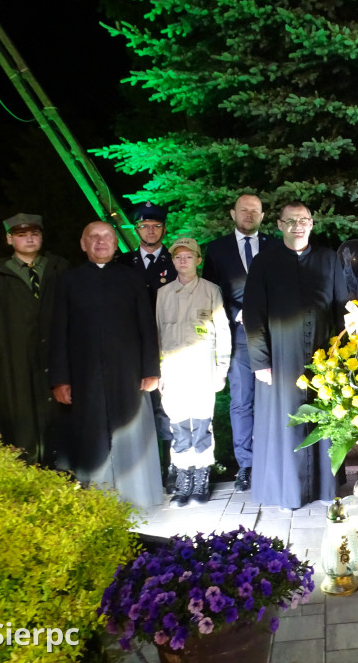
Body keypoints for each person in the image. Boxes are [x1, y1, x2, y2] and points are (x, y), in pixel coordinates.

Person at [49, 221, 163, 509]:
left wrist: (151, 370)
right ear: (83, 244)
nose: (101, 242)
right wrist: (60, 379)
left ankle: (137, 496)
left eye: (107, 237)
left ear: (115, 243)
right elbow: (58, 332)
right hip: (85, 374)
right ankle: (97, 498)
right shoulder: (68, 281)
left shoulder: (132, 278)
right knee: (92, 435)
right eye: (94, 237)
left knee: (131, 434)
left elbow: (147, 327)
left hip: (129, 373)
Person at [242, 201, 348, 510]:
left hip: (323, 353)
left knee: (324, 417)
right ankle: (286, 491)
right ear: (279, 224)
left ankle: (325, 488)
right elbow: (253, 314)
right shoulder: (265, 262)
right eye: (291, 221)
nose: (297, 225)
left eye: (303, 220)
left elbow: (342, 306)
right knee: (285, 420)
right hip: (280, 355)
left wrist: (342, 354)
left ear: (312, 223)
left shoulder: (329, 259)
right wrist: (260, 361)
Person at [0, 213, 69, 464]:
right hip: (15, 358)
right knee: (21, 417)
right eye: (22, 235)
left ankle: (59, 467)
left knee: (57, 417)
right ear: (10, 239)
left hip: (53, 356)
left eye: (34, 234)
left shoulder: (59, 269)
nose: (30, 239)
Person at [201, 193, 280, 493]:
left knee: (271, 402)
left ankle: (271, 460)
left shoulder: (276, 247)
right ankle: (246, 465)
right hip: (238, 338)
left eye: (255, 211)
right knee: (241, 403)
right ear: (233, 214)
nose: (249, 215)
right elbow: (210, 291)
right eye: (244, 210)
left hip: (272, 337)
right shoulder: (218, 250)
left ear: (262, 215)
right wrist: (234, 314)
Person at [155, 237, 231, 507]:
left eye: (189, 257)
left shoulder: (211, 291)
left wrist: (221, 369)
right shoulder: (163, 294)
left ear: (198, 260)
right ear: (173, 260)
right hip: (173, 371)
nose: (183, 261)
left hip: (202, 369)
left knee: (201, 423)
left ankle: (201, 477)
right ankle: (183, 477)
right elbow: (158, 335)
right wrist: (159, 372)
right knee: (177, 424)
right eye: (178, 257)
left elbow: (222, 330)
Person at [116, 202, 177, 489]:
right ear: (136, 229)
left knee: (168, 408)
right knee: (139, 408)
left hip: (170, 345)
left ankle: (170, 469)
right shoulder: (123, 265)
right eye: (144, 226)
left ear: (164, 228)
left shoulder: (176, 262)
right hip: (134, 347)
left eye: (156, 225)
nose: (150, 230)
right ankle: (142, 469)